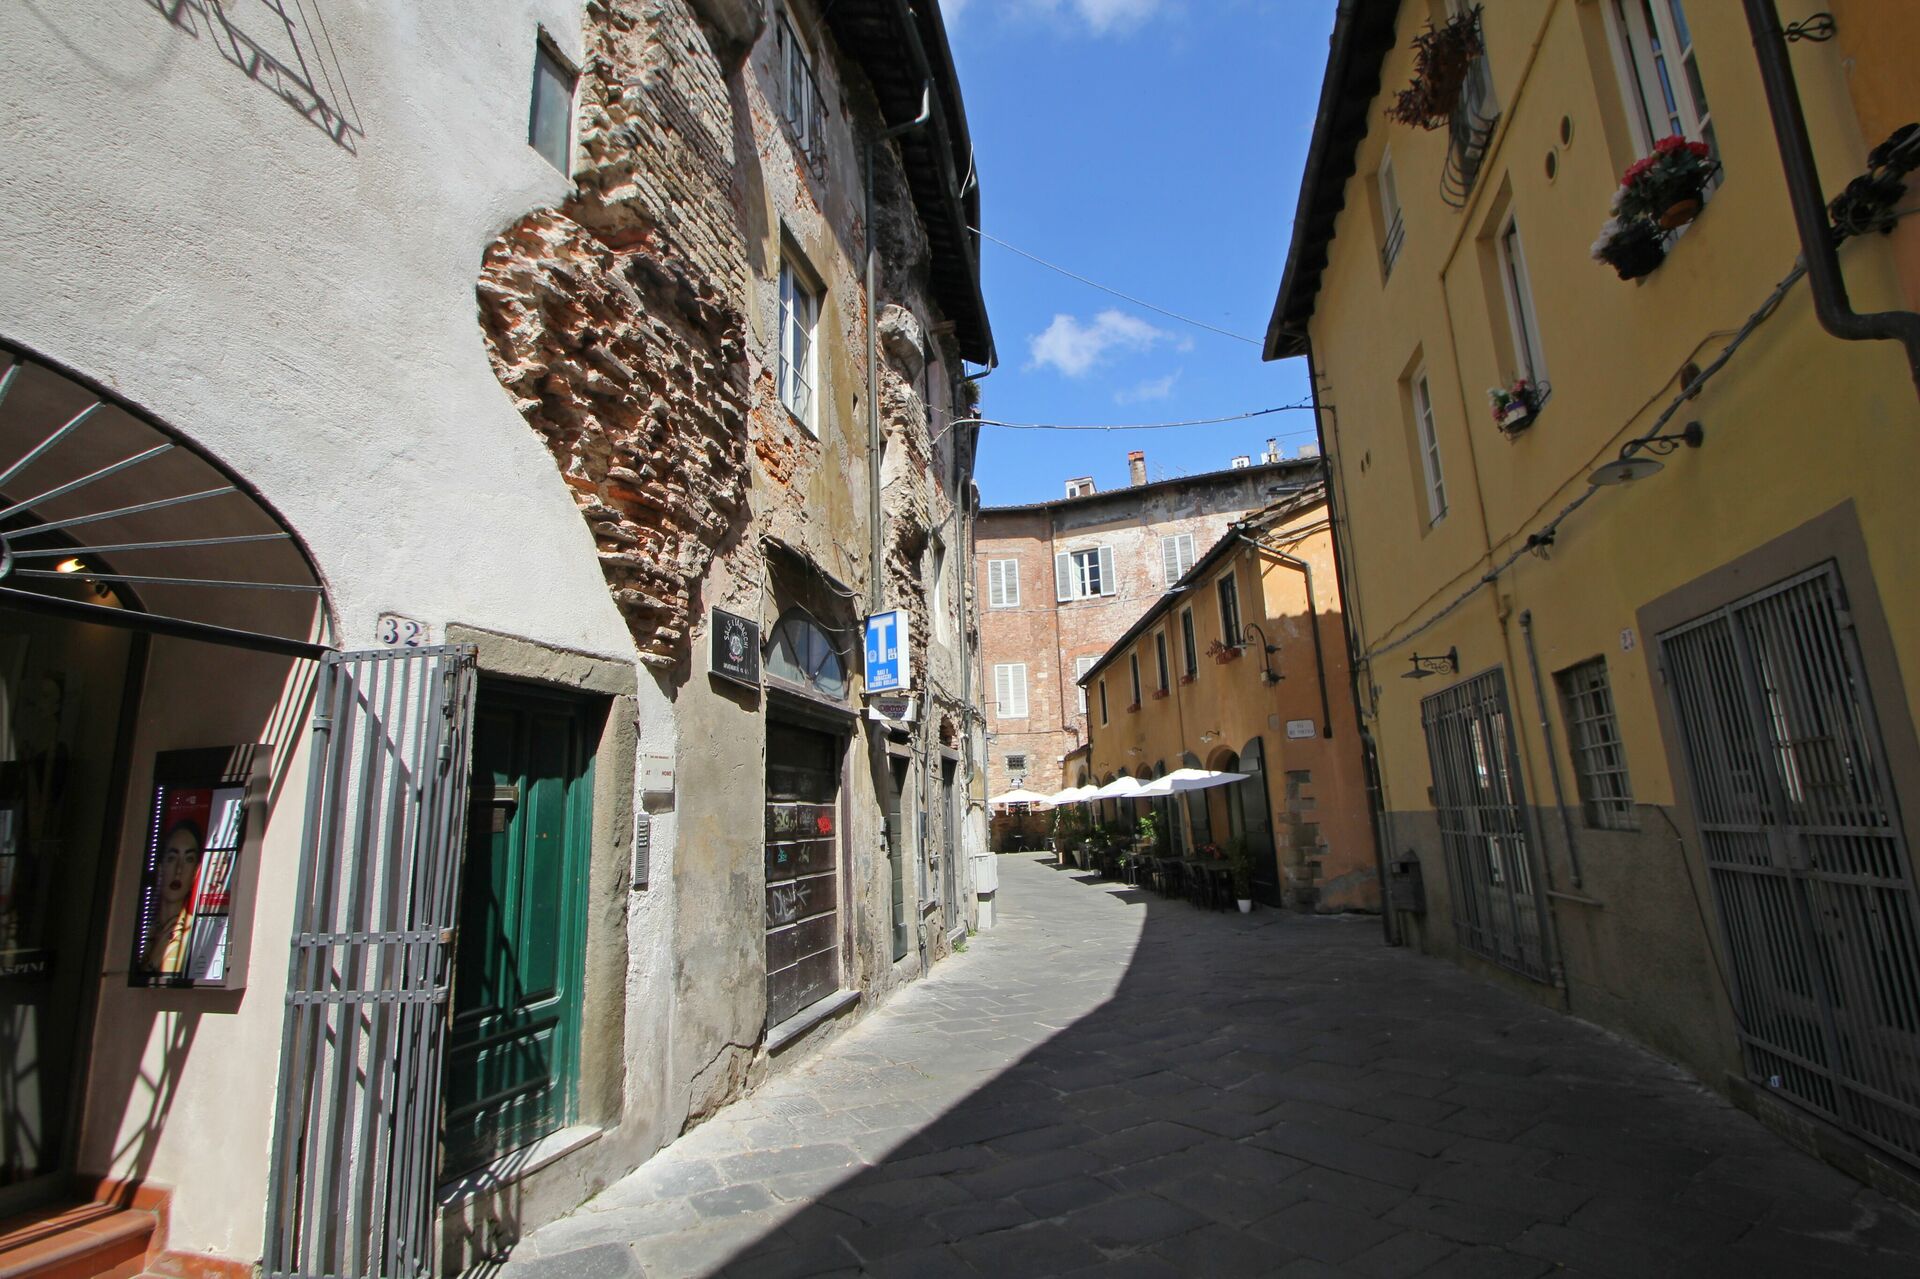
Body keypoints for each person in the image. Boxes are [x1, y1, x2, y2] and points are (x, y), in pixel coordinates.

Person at [141, 820, 203, 977]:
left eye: (188, 859)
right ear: (160, 867)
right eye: (172, 858)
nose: (179, 870)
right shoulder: (141, 927)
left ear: (195, 872)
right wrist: (154, 957)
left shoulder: (196, 933)